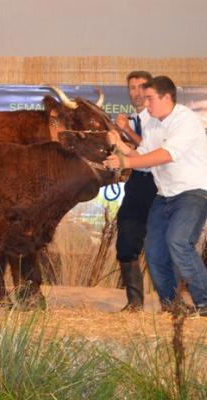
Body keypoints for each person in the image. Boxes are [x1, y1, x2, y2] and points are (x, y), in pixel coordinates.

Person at [104, 76, 207, 316]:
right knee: (154, 251)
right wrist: (120, 144)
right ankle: (173, 306)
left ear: (166, 97)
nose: (145, 103)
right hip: (164, 196)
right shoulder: (152, 124)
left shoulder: (185, 120)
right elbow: (144, 160)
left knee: (178, 241)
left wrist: (126, 160)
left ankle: (204, 303)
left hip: (193, 192)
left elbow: (166, 155)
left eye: (149, 98)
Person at [113, 71, 157, 312]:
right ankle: (135, 303)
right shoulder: (133, 120)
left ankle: (174, 301)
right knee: (127, 239)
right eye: (132, 87)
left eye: (142, 87)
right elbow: (131, 154)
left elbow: (151, 152)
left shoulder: (159, 117)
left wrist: (127, 132)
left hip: (160, 186)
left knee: (166, 243)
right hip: (137, 184)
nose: (137, 93)